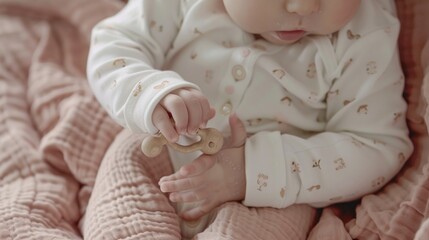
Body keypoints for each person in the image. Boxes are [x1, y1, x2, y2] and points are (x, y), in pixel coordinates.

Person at [87, 0, 413, 238]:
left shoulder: (367, 29)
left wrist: (251, 173)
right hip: (161, 147)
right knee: (122, 197)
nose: (302, 6)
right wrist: (151, 94)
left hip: (269, 193)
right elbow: (114, 45)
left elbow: (378, 145)